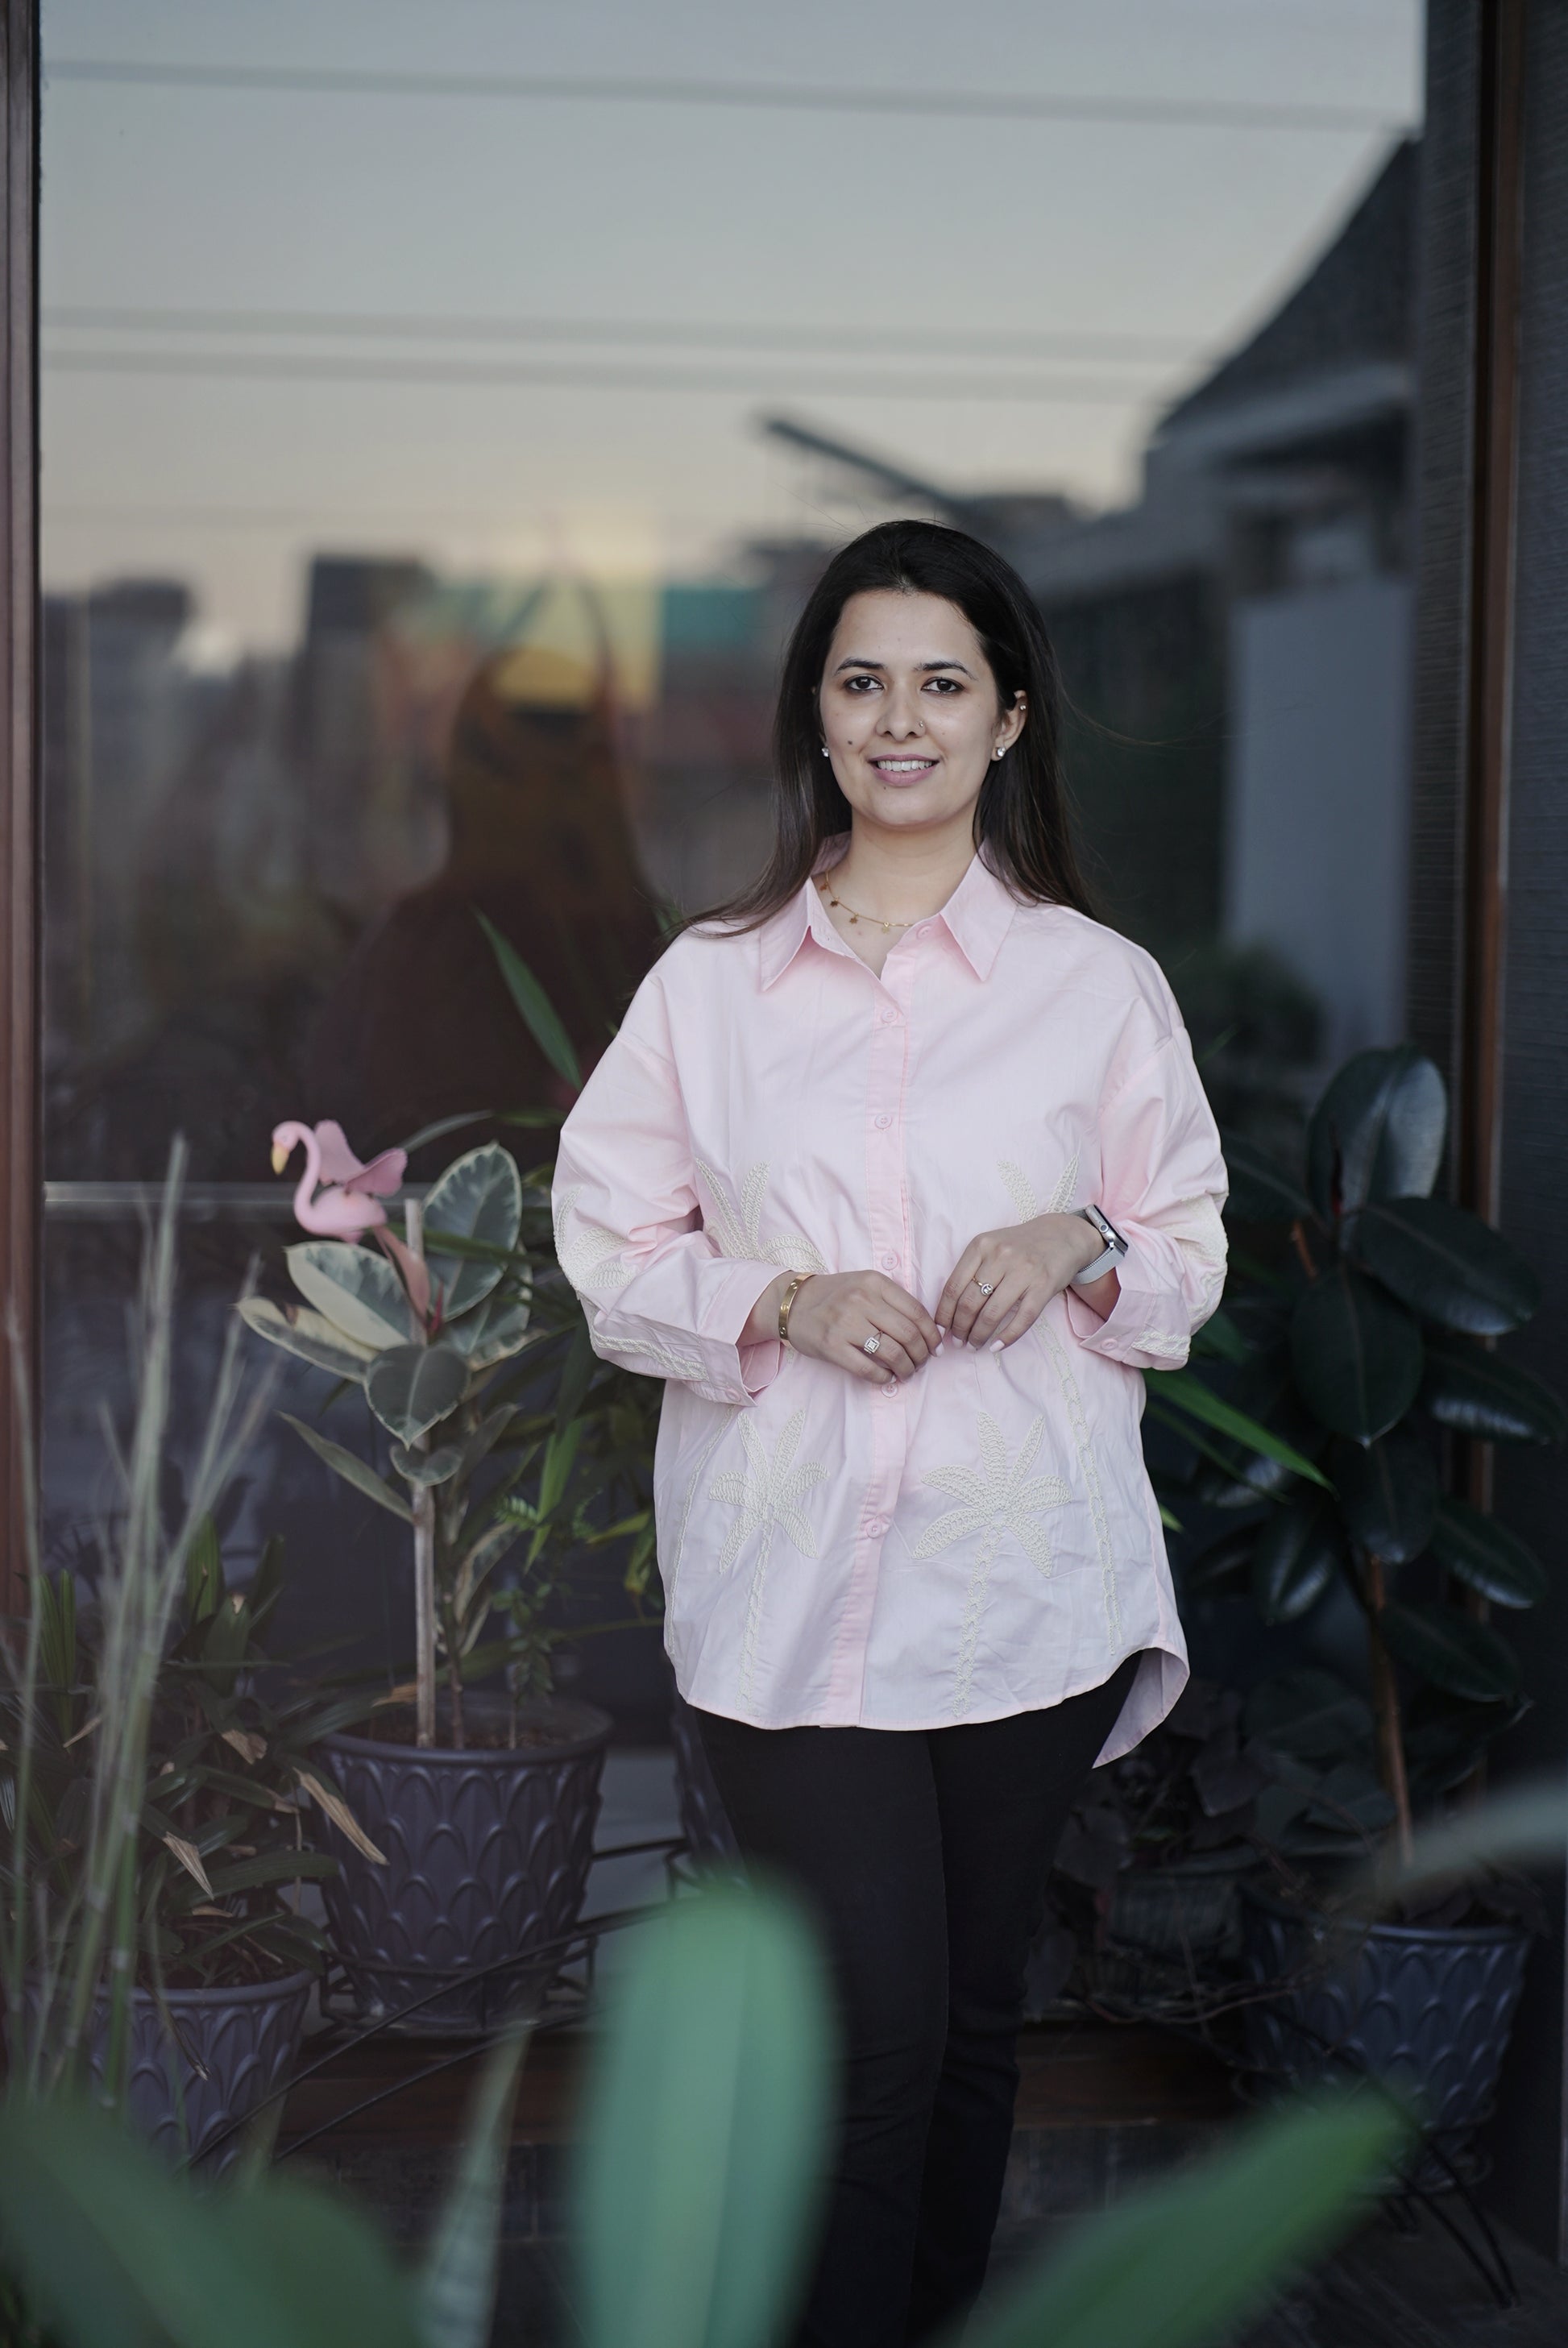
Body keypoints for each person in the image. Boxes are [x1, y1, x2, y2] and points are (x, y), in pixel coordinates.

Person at [552, 520, 1227, 2346]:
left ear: (1007, 718)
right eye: (862, 681)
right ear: (818, 714)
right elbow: (606, 1245)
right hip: (794, 1600)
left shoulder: (1095, 983)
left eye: (941, 682)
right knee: (871, 2040)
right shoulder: (712, 985)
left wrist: (1075, 1237)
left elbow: (1184, 1244)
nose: (899, 718)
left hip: (1022, 1589)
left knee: (974, 2024)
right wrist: (777, 1297)